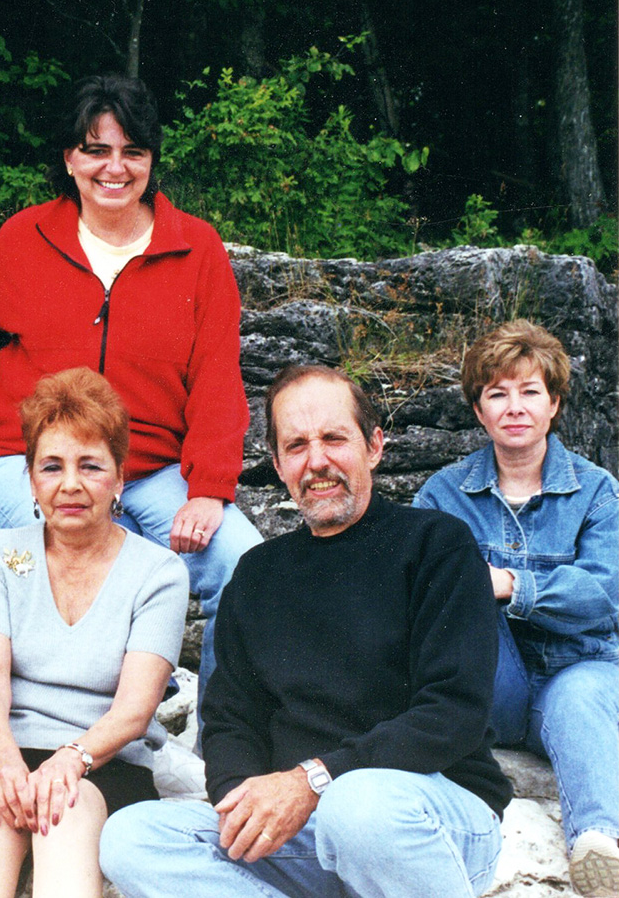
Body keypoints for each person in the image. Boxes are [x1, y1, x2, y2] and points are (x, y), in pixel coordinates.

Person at [101, 365, 513, 898]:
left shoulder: (437, 545)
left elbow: (453, 712)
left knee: (357, 806)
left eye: (334, 438)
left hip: (425, 817)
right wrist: (242, 801)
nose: (316, 461)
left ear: (374, 446)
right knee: (130, 837)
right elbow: (229, 717)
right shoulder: (257, 573)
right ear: (277, 465)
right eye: (296, 446)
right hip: (306, 828)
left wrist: (314, 779)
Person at [0, 74, 261, 697]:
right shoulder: (25, 237)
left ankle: (220, 739)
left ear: (150, 161)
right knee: (99, 547)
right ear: (69, 159)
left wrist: (210, 490)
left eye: (132, 151)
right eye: (95, 150)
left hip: (153, 467)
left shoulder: (197, 248)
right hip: (26, 460)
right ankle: (114, 718)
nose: (114, 168)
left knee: (244, 563)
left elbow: (218, 379)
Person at [0, 368, 187, 898]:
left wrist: (68, 763)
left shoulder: (159, 572)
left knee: (64, 813)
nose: (69, 484)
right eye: (52, 466)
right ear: (31, 479)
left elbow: (134, 710)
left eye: (90, 466)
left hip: (105, 764)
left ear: (119, 477)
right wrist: (4, 764)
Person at [413, 320, 618, 897]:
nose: (515, 407)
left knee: (578, 698)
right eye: (497, 394)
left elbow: (603, 594)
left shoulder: (598, 490)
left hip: (580, 668)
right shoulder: (442, 496)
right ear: (479, 412)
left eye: (530, 391)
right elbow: (426, 600)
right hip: (491, 680)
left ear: (554, 403)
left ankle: (597, 844)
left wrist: (507, 584)